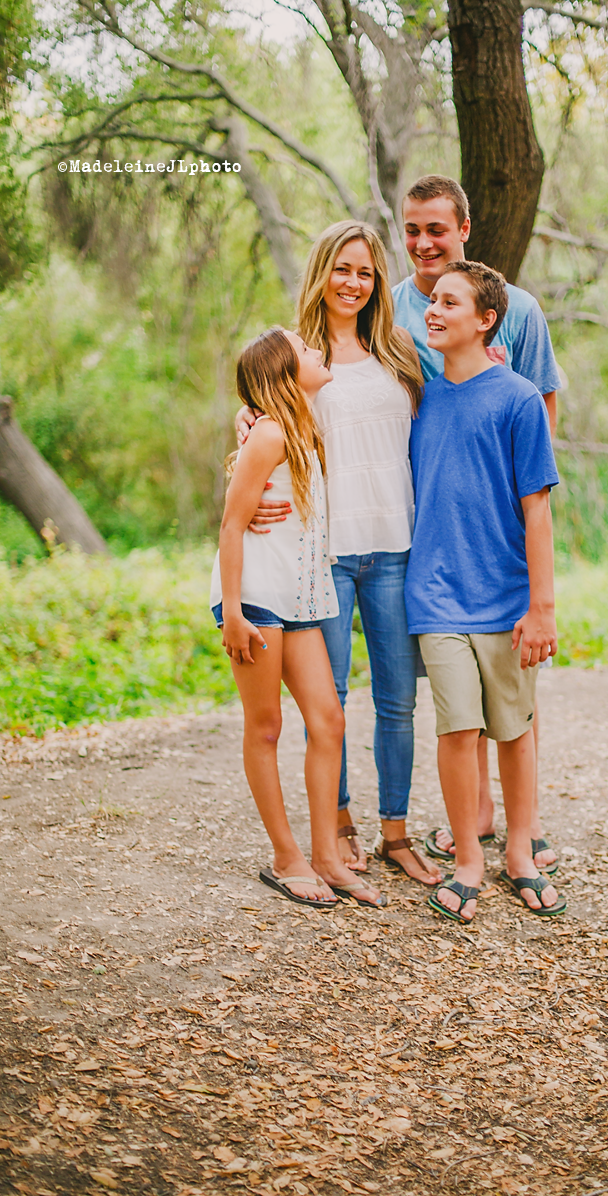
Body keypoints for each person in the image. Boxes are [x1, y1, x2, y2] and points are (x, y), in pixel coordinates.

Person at [235, 224, 442, 887]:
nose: (353, 282)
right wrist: (236, 442)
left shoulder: (400, 352)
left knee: (398, 701)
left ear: (377, 281)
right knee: (331, 703)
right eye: (342, 269)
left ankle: (396, 832)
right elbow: (260, 435)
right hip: (323, 555)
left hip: (395, 545)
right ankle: (340, 828)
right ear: (321, 273)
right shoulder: (299, 356)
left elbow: (441, 420)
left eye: (366, 272)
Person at [393, 175, 562, 877]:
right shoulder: (395, 315)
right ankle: (476, 832)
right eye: (412, 230)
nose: (424, 243)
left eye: (437, 229)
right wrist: (256, 413)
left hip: (499, 557)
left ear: (463, 228)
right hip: (431, 564)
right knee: (456, 718)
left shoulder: (518, 315)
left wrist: (538, 585)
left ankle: (519, 838)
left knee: (510, 710)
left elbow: (538, 420)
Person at [212, 327, 386, 909]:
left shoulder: (302, 426)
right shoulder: (269, 435)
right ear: (287, 372)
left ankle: (328, 858)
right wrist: (232, 613)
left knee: (328, 719)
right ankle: (287, 858)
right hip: (257, 598)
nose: (318, 352)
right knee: (266, 726)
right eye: (306, 350)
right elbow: (232, 525)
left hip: (302, 597)